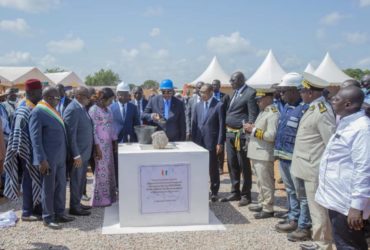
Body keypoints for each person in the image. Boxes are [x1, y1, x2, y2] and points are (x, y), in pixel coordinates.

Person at [315, 86, 369, 250]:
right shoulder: (347, 122)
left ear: (348, 105)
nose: (332, 100)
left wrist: (356, 207)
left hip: (347, 204)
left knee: (349, 245)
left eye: (336, 99)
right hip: (337, 199)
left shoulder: (362, 129)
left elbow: (364, 168)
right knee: (343, 242)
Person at [291, 72, 336, 250]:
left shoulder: (322, 111)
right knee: (313, 207)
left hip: (314, 167)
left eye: (303, 90)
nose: (301, 93)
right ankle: (319, 240)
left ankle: (323, 243)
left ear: (310, 92)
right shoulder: (312, 107)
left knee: (318, 209)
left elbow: (330, 142)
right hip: (305, 165)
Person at [273, 73, 312, 241]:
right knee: (290, 190)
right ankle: (293, 218)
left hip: (297, 159)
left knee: (301, 194)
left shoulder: (305, 109)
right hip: (284, 156)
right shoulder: (287, 107)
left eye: (284, 91)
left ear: (295, 91)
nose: (281, 94)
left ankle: (304, 225)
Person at [29, 87, 74, 229]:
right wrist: (41, 159)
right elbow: (35, 139)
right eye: (57, 98)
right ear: (48, 97)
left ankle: (60, 213)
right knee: (48, 188)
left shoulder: (52, 109)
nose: (59, 101)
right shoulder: (38, 112)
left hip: (60, 156)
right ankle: (48, 217)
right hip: (48, 159)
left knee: (61, 185)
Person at [3, 79, 44, 222]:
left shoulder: (34, 106)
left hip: (35, 152)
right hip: (26, 151)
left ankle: (37, 206)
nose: (42, 95)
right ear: (31, 92)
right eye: (40, 92)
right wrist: (26, 151)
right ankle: (27, 211)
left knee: (36, 180)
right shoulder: (23, 109)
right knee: (28, 179)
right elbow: (20, 135)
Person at [220, 72, 258, 207]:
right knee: (232, 164)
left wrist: (248, 135)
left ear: (242, 80)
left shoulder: (250, 93)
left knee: (244, 165)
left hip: (241, 135)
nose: (230, 81)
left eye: (233, 79)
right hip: (230, 134)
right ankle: (235, 191)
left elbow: (253, 115)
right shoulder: (234, 93)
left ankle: (246, 194)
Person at [244, 87, 279, 219]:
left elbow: (271, 135)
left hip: (264, 153)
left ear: (268, 98)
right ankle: (261, 202)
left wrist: (253, 130)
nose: (258, 103)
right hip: (257, 152)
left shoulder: (273, 113)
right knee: (259, 181)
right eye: (257, 100)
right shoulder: (263, 112)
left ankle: (268, 207)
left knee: (266, 182)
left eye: (260, 100)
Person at [191, 84, 225, 202]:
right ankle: (199, 189)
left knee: (212, 167)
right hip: (199, 141)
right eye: (200, 92)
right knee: (199, 167)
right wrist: (193, 142)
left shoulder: (219, 105)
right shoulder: (197, 106)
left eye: (204, 92)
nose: (202, 94)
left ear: (211, 92)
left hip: (212, 141)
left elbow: (221, 126)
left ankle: (214, 191)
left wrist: (220, 143)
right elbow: (194, 124)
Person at [63, 87, 93, 216]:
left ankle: (78, 202)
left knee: (81, 179)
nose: (89, 99)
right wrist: (76, 154)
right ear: (79, 96)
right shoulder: (73, 109)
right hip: (78, 154)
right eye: (87, 96)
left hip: (84, 152)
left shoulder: (80, 107)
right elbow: (70, 134)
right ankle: (74, 207)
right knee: (76, 180)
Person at [89, 88, 117, 207]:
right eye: (110, 100)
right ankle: (100, 199)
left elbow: (112, 126)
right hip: (99, 145)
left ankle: (110, 196)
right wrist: (97, 147)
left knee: (109, 170)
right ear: (103, 99)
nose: (111, 102)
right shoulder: (94, 110)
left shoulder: (109, 110)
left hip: (108, 145)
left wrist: (114, 141)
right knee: (101, 171)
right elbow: (93, 130)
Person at [212, 79, 230, 175]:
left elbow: (228, 110)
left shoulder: (225, 97)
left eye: (216, 85)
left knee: (220, 145)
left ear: (219, 86)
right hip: (212, 124)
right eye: (213, 85)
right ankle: (213, 166)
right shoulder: (210, 96)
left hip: (222, 124)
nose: (214, 86)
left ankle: (220, 167)